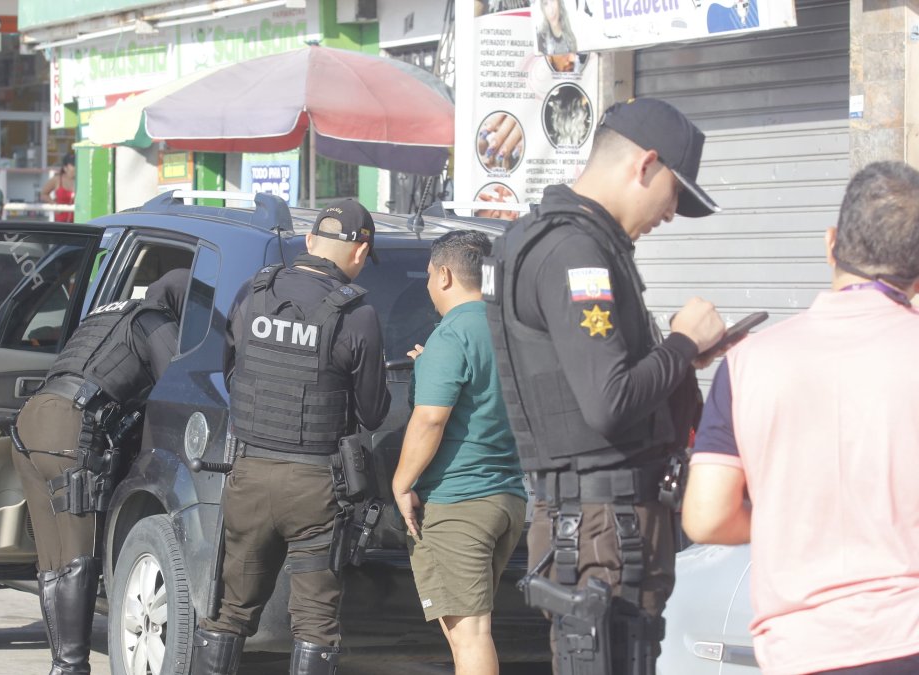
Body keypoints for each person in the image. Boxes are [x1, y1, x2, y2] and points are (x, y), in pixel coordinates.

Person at [484, 97, 726, 674]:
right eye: (675, 195)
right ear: (645, 165)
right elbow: (609, 400)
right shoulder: (576, 252)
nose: (670, 214)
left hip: (600, 523)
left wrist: (679, 361)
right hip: (604, 527)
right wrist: (682, 344)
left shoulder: (575, 242)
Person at [682, 161, 919, 675]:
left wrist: (794, 521)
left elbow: (705, 516)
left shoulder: (750, 361)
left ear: (831, 243)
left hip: (803, 648)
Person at [192, 198, 391, 675]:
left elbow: (231, 372)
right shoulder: (357, 314)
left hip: (250, 475)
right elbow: (372, 412)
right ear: (361, 253)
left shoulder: (253, 292)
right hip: (316, 487)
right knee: (315, 623)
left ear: (308, 241)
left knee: (230, 610)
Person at [11, 268, 188, 675]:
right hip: (69, 430)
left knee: (53, 562)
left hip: (30, 424)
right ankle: (72, 667)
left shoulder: (104, 314)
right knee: (78, 558)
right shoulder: (154, 320)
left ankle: (63, 665)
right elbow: (177, 384)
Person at [393, 230, 527, 675]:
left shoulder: (450, 336)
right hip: (507, 496)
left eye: (430, 276)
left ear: (445, 274)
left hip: (459, 501)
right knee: (465, 632)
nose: (429, 286)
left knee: (469, 635)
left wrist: (402, 482)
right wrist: (428, 366)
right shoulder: (510, 331)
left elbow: (431, 419)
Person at [41, 151, 76, 223]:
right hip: (61, 221)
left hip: (78, 221)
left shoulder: (82, 181)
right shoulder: (57, 179)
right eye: (73, 164)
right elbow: (43, 194)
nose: (75, 167)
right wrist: (54, 205)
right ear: (65, 167)